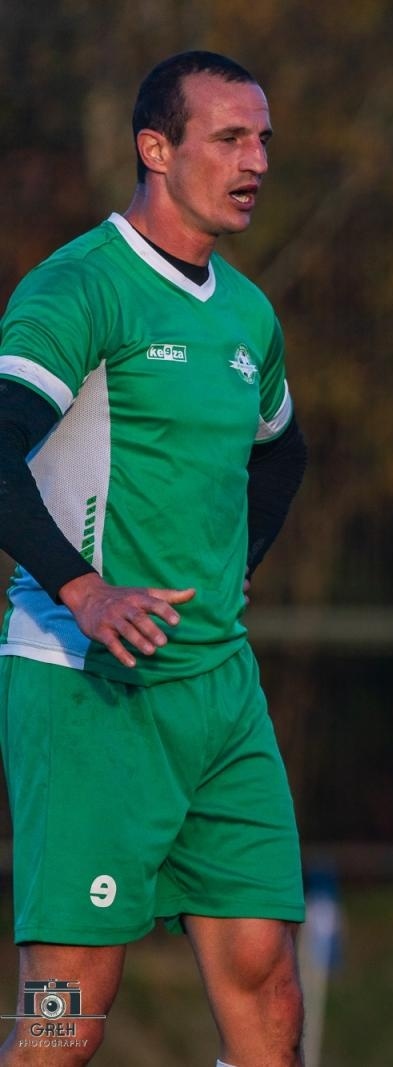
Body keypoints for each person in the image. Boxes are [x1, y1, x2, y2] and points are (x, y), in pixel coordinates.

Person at [0, 51, 309, 1066]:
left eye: (262, 138)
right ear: (156, 147)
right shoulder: (81, 285)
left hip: (218, 687)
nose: (255, 159)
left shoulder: (246, 312)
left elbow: (282, 452)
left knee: (264, 965)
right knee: (66, 1004)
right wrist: (79, 588)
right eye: (230, 137)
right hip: (89, 688)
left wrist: (242, 561)